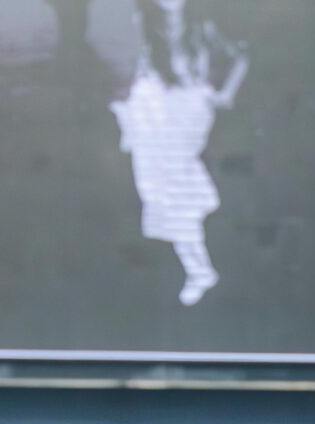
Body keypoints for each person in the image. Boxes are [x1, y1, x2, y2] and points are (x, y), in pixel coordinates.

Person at [111, 0, 247, 306]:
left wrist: (226, 95)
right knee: (159, 184)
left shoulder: (202, 28)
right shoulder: (146, 24)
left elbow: (241, 59)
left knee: (172, 183)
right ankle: (198, 268)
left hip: (191, 106)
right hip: (161, 102)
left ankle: (199, 270)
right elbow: (143, 69)